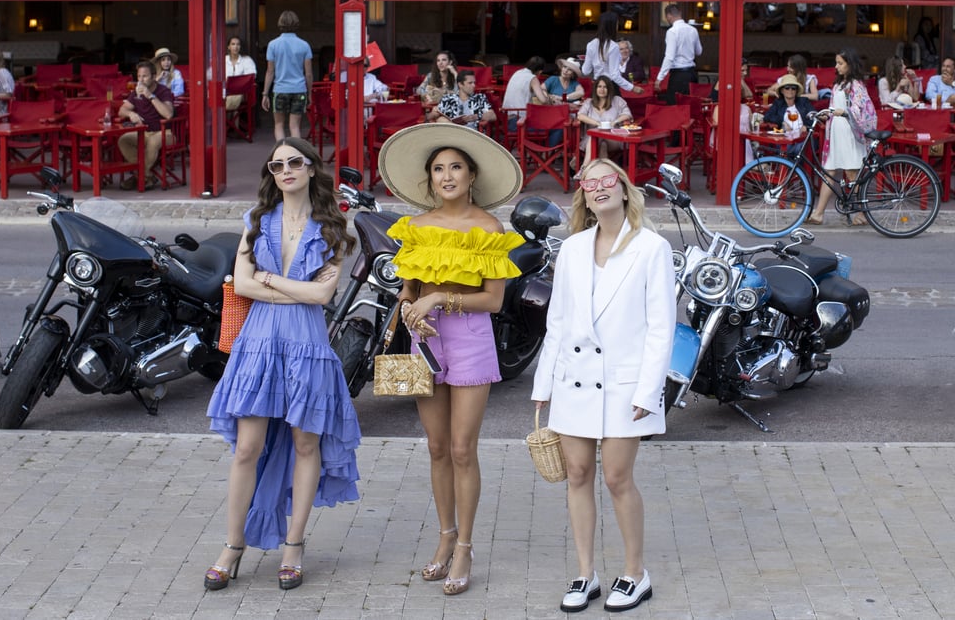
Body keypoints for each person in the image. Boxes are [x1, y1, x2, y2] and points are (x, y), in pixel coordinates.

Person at [204, 137, 360, 593]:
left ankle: (294, 546)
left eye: (295, 162)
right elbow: (244, 286)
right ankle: (233, 546)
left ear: (312, 169)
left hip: (307, 345)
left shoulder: (332, 226)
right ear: (271, 175)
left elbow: (323, 296)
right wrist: (289, 285)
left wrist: (268, 280)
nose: (286, 170)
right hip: (259, 343)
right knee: (247, 448)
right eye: (277, 165)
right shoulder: (256, 221)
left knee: (306, 445)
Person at [378, 123, 525, 596]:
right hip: (424, 338)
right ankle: (443, 538)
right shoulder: (414, 228)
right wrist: (410, 308)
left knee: (463, 448)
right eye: (438, 168)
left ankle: (465, 545)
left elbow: (494, 302)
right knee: (437, 448)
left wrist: (440, 298)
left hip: (469, 337)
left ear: (471, 175)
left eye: (455, 167)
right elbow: (406, 290)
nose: (446, 175)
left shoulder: (488, 229)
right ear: (429, 179)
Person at [531, 158, 675, 614]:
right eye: (589, 184)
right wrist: (543, 382)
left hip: (625, 384)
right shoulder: (571, 248)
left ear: (625, 189)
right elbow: (558, 321)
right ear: (583, 196)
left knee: (616, 477)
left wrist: (648, 391)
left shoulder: (652, 248)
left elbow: (661, 328)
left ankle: (635, 573)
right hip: (573, 378)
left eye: (607, 180)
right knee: (576, 475)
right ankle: (585, 572)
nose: (598, 188)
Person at [808, 48, 877, 226]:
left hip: (850, 133)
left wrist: (843, 111)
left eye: (840, 63)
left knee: (852, 173)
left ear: (849, 64)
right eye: (837, 62)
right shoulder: (839, 84)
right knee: (829, 171)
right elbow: (835, 107)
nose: (836, 66)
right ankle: (818, 213)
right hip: (837, 132)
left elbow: (857, 107)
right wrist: (827, 115)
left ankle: (862, 214)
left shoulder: (856, 85)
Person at [117, 59, 175, 191]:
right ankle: (146, 176)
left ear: (154, 77)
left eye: (145, 76)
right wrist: (131, 114)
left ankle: (138, 176)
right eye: (139, 76)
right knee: (124, 140)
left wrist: (150, 96)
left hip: (164, 132)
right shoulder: (136, 92)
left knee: (152, 143)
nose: (141, 80)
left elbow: (168, 114)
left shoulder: (163, 91)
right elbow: (122, 110)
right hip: (144, 132)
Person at [262, 10, 313, 140]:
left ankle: (281, 155)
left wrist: (265, 94)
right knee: (295, 126)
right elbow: (308, 74)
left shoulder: (273, 45)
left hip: (280, 89)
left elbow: (270, 71)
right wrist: (310, 93)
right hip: (299, 89)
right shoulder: (304, 45)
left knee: (279, 125)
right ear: (296, 24)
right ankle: (295, 156)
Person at [583, 11, 645, 97]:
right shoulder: (613, 46)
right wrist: (632, 88)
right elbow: (614, 75)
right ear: (612, 26)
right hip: (610, 87)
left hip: (597, 86)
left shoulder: (591, 44)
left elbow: (585, 71)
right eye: (617, 24)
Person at [575, 75, 632, 162]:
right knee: (602, 145)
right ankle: (603, 173)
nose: (602, 89)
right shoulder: (589, 102)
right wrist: (597, 123)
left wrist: (615, 122)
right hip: (591, 139)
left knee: (597, 135)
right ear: (596, 88)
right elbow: (580, 115)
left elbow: (627, 114)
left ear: (609, 89)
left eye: (605, 87)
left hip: (613, 138)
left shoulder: (617, 100)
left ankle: (584, 167)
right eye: (599, 86)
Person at [654, 4, 702, 104]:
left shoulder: (672, 31)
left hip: (678, 75)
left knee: (675, 107)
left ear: (668, 16)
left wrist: (659, 78)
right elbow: (699, 51)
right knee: (690, 106)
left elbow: (669, 57)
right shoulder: (693, 30)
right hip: (692, 74)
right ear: (680, 13)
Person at [763, 74, 816, 157]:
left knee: (799, 148)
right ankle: (790, 166)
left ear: (796, 90)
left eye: (793, 88)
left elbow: (814, 115)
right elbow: (767, 116)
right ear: (782, 91)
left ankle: (792, 167)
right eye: (787, 88)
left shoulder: (803, 101)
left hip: (802, 138)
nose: (790, 90)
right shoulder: (778, 103)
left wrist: (806, 126)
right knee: (785, 147)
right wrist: (782, 123)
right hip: (785, 138)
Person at [429, 70, 495, 130]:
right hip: (451, 134)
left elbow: (492, 115)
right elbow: (435, 114)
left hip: (472, 133)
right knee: (441, 119)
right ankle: (456, 129)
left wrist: (477, 116)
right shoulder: (448, 98)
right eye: (470, 83)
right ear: (460, 84)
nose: (474, 85)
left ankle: (457, 129)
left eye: (474, 82)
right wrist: (433, 114)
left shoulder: (479, 97)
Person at [501, 55, 550, 130]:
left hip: (507, 120)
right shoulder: (532, 78)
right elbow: (543, 100)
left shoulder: (517, 73)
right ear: (540, 71)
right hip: (521, 122)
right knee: (555, 128)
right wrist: (548, 97)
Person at [225, 35, 258, 112]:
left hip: (241, 92)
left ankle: (227, 119)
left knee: (234, 97)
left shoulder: (247, 60)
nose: (235, 47)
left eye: (238, 44)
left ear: (240, 47)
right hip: (225, 92)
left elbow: (251, 77)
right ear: (228, 47)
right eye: (233, 44)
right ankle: (229, 121)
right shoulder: (223, 60)